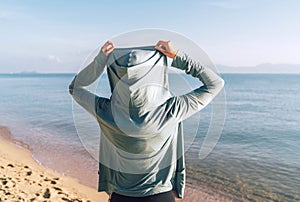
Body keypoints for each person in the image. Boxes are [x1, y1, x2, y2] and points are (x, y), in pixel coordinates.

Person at [69, 40, 224, 202]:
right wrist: (178, 56)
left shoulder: (106, 111)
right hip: (160, 197)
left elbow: (75, 88)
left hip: (121, 198)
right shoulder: (171, 110)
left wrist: (100, 61)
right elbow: (215, 83)